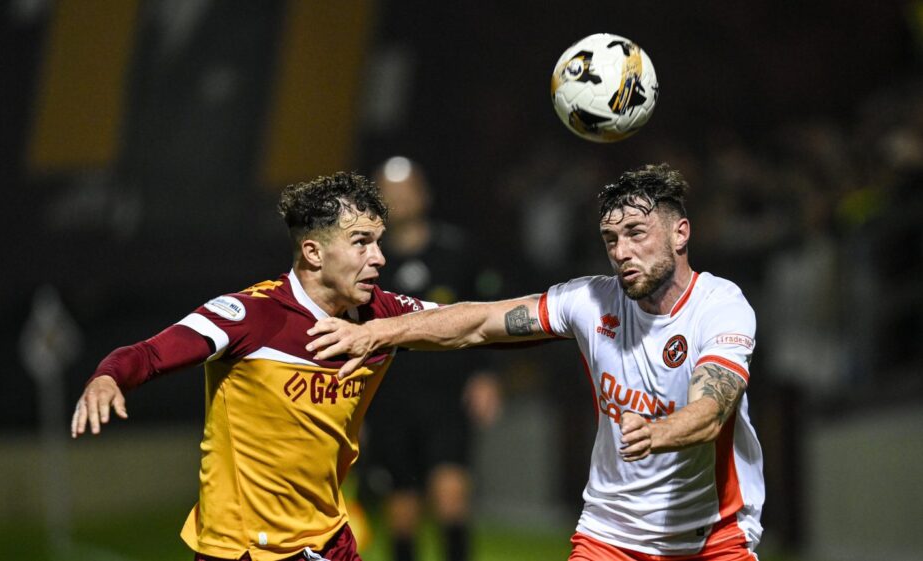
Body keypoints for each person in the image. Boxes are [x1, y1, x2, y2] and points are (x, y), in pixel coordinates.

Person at [307, 163, 765, 561]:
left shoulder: (720, 306)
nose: (621, 251)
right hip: (611, 534)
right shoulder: (590, 300)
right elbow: (478, 322)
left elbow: (711, 410)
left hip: (712, 535)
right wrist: (375, 332)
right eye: (610, 238)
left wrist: (658, 431)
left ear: (680, 232)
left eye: (636, 233)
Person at [71, 172, 437, 561]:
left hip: (328, 541)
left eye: (378, 242)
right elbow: (149, 354)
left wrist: (510, 316)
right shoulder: (249, 315)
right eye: (362, 243)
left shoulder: (378, 314)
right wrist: (108, 377)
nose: (379, 257)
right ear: (314, 252)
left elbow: (472, 323)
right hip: (245, 550)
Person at [364, 156, 500, 561]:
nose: (399, 201)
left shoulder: (456, 252)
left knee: (451, 498)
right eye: (389, 194)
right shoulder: (366, 262)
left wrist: (487, 376)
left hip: (446, 398)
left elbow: (487, 317)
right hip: (389, 400)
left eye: (406, 192)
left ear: (423, 195)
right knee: (401, 512)